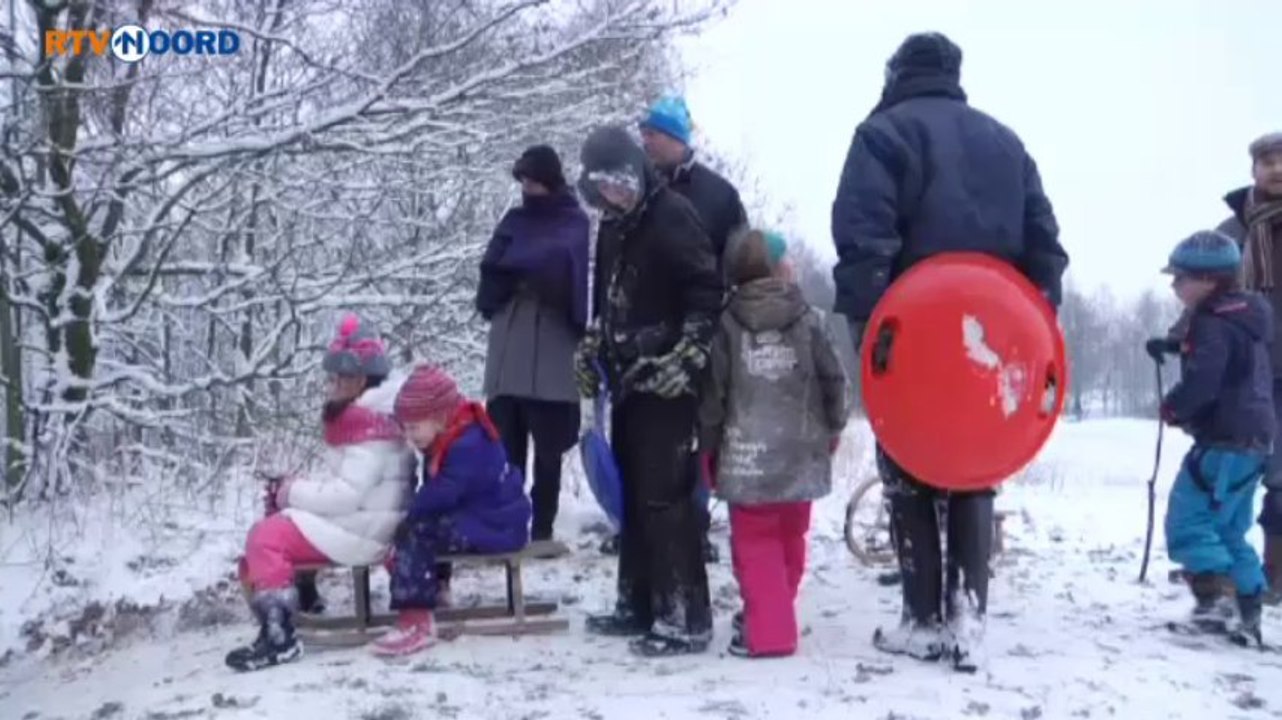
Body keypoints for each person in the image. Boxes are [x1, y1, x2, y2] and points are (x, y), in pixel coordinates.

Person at [829, 32, 1068, 671]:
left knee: (908, 466)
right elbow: (1044, 241)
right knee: (975, 465)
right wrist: (1038, 322)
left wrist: (869, 328)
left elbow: (863, 237)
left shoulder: (882, 135)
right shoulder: (1004, 142)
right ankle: (968, 619)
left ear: (897, 72)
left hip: (912, 328)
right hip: (994, 330)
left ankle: (922, 619)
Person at [574, 124, 723, 657]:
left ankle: (685, 617)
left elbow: (707, 293)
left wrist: (688, 354)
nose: (616, 195)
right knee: (633, 495)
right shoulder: (613, 227)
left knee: (666, 498)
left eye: (621, 183)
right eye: (604, 188)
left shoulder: (673, 216)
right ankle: (637, 603)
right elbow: (606, 297)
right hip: (628, 378)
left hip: (668, 379)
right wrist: (592, 344)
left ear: (637, 171)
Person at [226, 315, 413, 672]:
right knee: (282, 522)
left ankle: (279, 634)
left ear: (359, 380)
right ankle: (304, 598)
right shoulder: (376, 415)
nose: (333, 385)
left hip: (364, 533)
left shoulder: (367, 425)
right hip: (369, 524)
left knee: (267, 537)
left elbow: (346, 496)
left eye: (339, 378)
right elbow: (354, 487)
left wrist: (291, 492)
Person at [698, 229, 849, 658]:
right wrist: (835, 427)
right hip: (801, 450)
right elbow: (835, 379)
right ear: (777, 267)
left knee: (755, 540)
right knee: (790, 535)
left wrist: (708, 448)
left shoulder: (726, 324)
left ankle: (770, 629)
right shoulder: (809, 318)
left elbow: (714, 395)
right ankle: (775, 612)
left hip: (746, 454)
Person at [630, 95, 748, 564]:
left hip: (703, 332)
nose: (646, 141)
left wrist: (726, 325)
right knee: (646, 438)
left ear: (678, 139)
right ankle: (644, 532)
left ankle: (694, 528)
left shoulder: (718, 195)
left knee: (695, 434)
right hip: (642, 333)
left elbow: (740, 259)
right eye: (642, 135)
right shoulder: (634, 189)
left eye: (653, 134)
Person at [1145, 230, 1274, 648]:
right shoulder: (1246, 314)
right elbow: (1225, 355)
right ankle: (1249, 606)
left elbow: (1205, 379)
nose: (1175, 286)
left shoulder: (1210, 322)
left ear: (1208, 280)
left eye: (1180, 278)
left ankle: (1216, 604)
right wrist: (1173, 344)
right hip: (1256, 438)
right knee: (1230, 527)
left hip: (1223, 440)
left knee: (1188, 521)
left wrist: (1174, 407)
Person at [372, 363, 532, 656]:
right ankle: (437, 587)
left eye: (415, 426)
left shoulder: (467, 444)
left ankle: (416, 619)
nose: (411, 435)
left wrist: (407, 517)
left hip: (497, 525)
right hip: (488, 519)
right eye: (406, 427)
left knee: (418, 532)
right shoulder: (449, 437)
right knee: (429, 524)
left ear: (441, 417)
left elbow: (443, 492)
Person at [477, 144, 590, 542]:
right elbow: (492, 266)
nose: (528, 188)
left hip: (551, 345)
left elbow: (564, 269)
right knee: (506, 446)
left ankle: (543, 527)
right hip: (511, 341)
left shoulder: (572, 221)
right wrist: (514, 273)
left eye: (534, 180)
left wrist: (524, 267)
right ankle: (508, 526)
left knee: (548, 447)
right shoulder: (514, 220)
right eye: (523, 180)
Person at [1215, 131, 1282, 603]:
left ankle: (1276, 575)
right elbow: (1206, 293)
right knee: (1231, 471)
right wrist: (1181, 339)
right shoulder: (1231, 232)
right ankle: (1217, 571)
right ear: (1253, 170)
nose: (1277, 169)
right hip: (1243, 374)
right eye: (1267, 161)